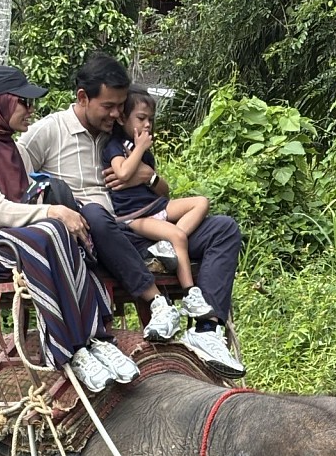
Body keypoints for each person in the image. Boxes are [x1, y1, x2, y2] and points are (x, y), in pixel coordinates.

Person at [15, 54, 245, 379]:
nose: (116, 113)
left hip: (139, 229)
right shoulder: (49, 132)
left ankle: (206, 330)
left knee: (223, 228)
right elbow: (13, 179)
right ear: (83, 97)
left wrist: (147, 178)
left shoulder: (120, 132)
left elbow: (157, 190)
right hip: (97, 236)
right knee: (94, 213)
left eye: (121, 106)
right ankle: (156, 302)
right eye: (108, 106)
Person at [0, 63, 139, 394]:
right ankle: (68, 350)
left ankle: (96, 338)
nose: (31, 110)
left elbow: (23, 199)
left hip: (6, 236)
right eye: (24, 102)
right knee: (47, 233)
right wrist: (53, 210)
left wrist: (58, 207)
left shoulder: (8, 145)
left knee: (64, 234)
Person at [102, 86, 212, 321]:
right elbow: (121, 172)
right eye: (141, 118)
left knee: (201, 202)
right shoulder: (116, 144)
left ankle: (168, 246)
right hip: (135, 217)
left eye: (150, 120)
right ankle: (190, 293)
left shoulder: (144, 152)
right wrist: (140, 148)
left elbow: (162, 188)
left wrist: (148, 174)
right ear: (122, 118)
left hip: (156, 207)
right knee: (178, 237)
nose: (147, 125)